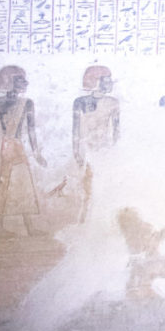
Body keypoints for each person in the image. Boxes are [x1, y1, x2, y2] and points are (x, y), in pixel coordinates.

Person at [0, 65, 45, 236]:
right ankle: (0, 227)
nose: (25, 83)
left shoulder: (27, 103)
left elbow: (31, 130)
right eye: (20, 79)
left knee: (22, 184)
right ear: (9, 81)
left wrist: (36, 153)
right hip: (9, 147)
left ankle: (27, 227)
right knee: (7, 184)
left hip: (14, 146)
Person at [72, 64, 120, 224]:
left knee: (105, 187)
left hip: (105, 150)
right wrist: (77, 152)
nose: (110, 84)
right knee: (88, 189)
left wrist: (115, 152)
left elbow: (116, 131)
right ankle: (84, 221)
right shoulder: (80, 102)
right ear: (96, 81)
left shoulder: (113, 102)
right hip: (87, 150)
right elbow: (76, 130)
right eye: (107, 80)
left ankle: (104, 221)